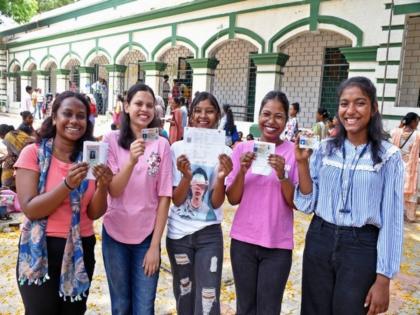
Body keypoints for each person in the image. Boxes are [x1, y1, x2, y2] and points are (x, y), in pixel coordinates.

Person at [294, 76, 404, 315]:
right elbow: (307, 203)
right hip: (320, 238)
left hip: (361, 246)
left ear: (374, 108)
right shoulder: (324, 149)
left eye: (360, 103)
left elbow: (393, 219)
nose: (350, 111)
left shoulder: (389, 157)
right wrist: (302, 164)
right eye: (344, 103)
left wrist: (384, 278)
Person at [15, 91, 113, 314]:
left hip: (80, 247)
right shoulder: (33, 153)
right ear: (54, 117)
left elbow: (94, 212)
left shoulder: (91, 157)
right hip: (40, 249)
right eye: (67, 114)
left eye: (81, 116)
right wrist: (67, 185)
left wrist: (104, 186)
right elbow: (31, 209)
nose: (74, 121)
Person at [102, 83, 172, 315]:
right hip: (115, 236)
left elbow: (164, 197)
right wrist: (131, 160)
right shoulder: (111, 140)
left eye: (150, 105)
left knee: (144, 307)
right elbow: (113, 189)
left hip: (146, 238)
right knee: (121, 306)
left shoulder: (161, 144)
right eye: (139, 103)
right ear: (127, 107)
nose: (144, 109)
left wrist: (155, 247)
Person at [226, 91, 297, 314]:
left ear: (287, 120)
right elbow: (233, 198)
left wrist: (282, 176)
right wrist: (242, 172)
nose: (271, 121)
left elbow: (295, 202)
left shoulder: (294, 154)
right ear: (259, 116)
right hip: (243, 242)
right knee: (245, 307)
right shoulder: (242, 150)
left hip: (277, 245)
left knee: (269, 308)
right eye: (266, 114)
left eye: (279, 116)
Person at [166, 91, 232, 315]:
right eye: (198, 111)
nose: (204, 116)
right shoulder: (177, 149)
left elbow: (215, 203)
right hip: (179, 236)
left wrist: (222, 176)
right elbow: (175, 200)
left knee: (209, 295)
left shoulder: (225, 153)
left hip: (209, 235)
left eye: (210, 111)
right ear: (191, 115)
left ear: (217, 116)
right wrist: (186, 176)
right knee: (184, 293)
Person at [391, 112, 420, 222]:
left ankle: (395, 213)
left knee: (397, 189)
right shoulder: (417, 135)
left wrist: (401, 125)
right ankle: (410, 216)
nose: (417, 124)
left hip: (397, 166)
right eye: (417, 121)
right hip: (410, 167)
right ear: (412, 122)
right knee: (410, 192)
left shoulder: (395, 132)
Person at [0, 124, 32, 190]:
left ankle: (8, 187)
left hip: (27, 158)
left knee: (7, 172)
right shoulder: (17, 132)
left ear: (1, 134)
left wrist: (6, 160)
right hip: (30, 154)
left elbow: (18, 154)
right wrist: (4, 158)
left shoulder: (8, 137)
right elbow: (12, 153)